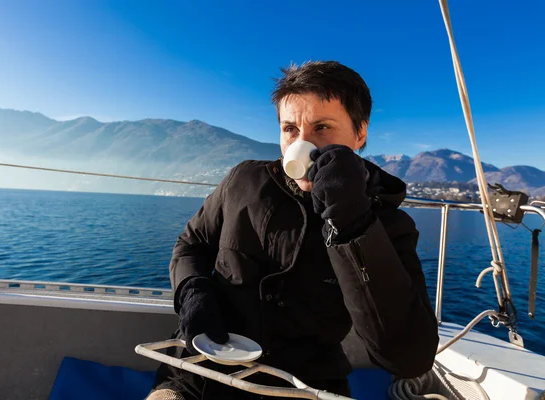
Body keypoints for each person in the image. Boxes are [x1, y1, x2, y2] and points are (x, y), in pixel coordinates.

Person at [147, 61, 439, 400]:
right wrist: (193, 293)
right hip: (201, 366)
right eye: (290, 129)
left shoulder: (385, 223)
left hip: (305, 383)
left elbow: (408, 357)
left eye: (322, 128)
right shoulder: (244, 181)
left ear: (360, 134)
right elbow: (192, 244)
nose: (303, 145)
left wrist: (351, 223)